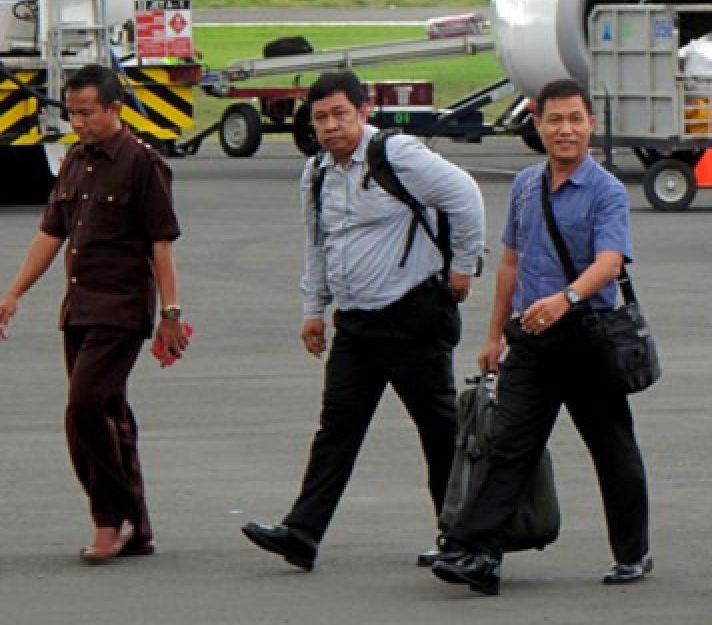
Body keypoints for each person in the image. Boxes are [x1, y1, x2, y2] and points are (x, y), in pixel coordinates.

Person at [241, 70, 485, 571]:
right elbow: (318, 244)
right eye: (321, 118)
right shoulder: (316, 173)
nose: (331, 127)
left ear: (363, 111)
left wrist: (462, 267)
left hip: (412, 315)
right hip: (355, 322)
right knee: (337, 428)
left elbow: (465, 195)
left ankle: (459, 537)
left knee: (439, 432)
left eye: (340, 115)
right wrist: (314, 310)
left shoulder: (397, 156)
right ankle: (303, 532)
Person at [430, 79, 650, 595]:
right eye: (555, 120)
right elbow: (510, 261)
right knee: (509, 445)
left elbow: (609, 261)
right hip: (531, 337)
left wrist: (566, 299)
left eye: (576, 119)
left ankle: (632, 552)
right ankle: (478, 552)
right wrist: (492, 337)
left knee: (612, 448)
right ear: (539, 124)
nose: (566, 129)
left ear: (590, 125)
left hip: (586, 336)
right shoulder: (527, 186)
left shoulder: (606, 191)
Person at [0, 64, 187, 563]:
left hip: (121, 310)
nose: (78, 122)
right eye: (73, 113)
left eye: (88, 113)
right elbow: (51, 234)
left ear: (114, 109)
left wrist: (171, 312)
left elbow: (161, 243)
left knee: (84, 406)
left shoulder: (142, 163)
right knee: (110, 415)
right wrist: (13, 291)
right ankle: (138, 526)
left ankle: (111, 518)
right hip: (79, 308)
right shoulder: (75, 162)